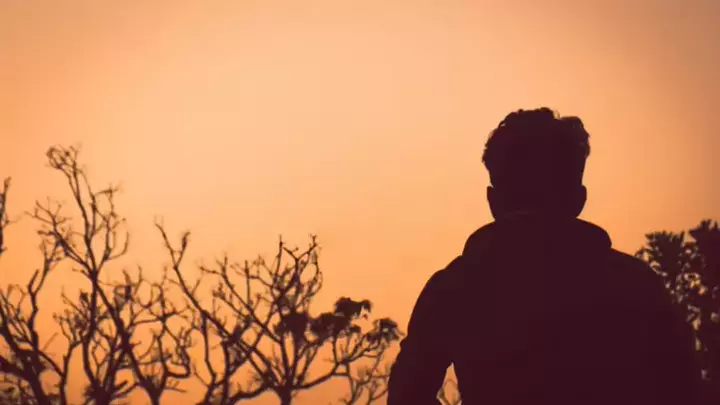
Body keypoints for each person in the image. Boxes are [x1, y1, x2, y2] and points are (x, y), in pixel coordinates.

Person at [386, 108, 700, 405]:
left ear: (493, 201)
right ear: (579, 199)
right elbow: (685, 390)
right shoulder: (636, 285)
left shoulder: (455, 288)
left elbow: (407, 395)